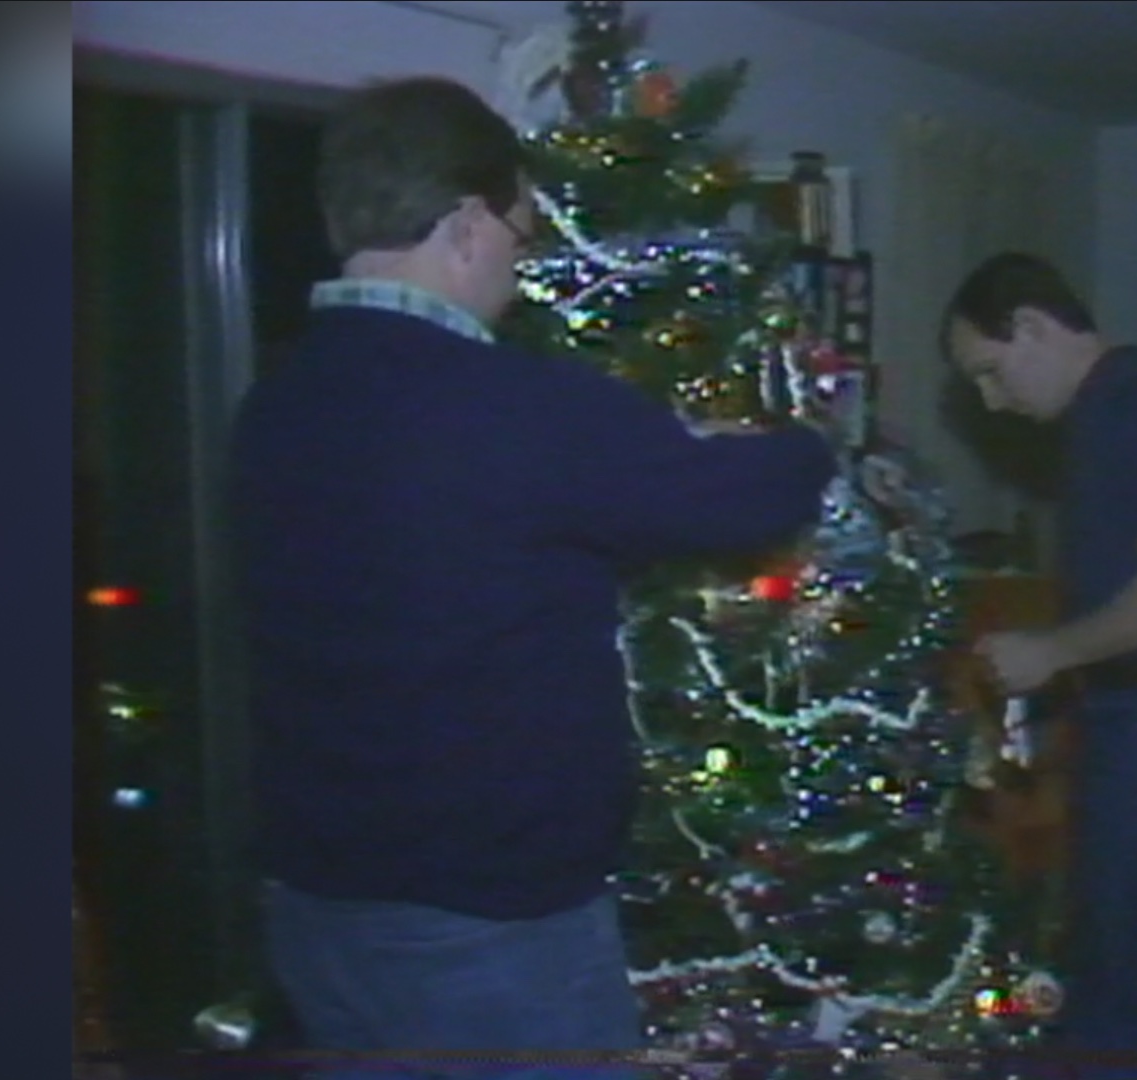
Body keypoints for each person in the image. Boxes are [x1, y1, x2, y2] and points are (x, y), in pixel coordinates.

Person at [230, 77, 837, 1079]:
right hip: (491, 924)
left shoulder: (277, 405)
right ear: (467, 222)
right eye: (523, 227)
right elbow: (747, 499)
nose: (521, 259)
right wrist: (803, 437)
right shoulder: (511, 404)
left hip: (315, 906)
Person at [941, 253, 1137, 1078]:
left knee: (1121, 998)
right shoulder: (1118, 410)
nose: (992, 400)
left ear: (1034, 328)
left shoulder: (1133, 410)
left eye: (991, 372)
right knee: (1121, 969)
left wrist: (1050, 650)